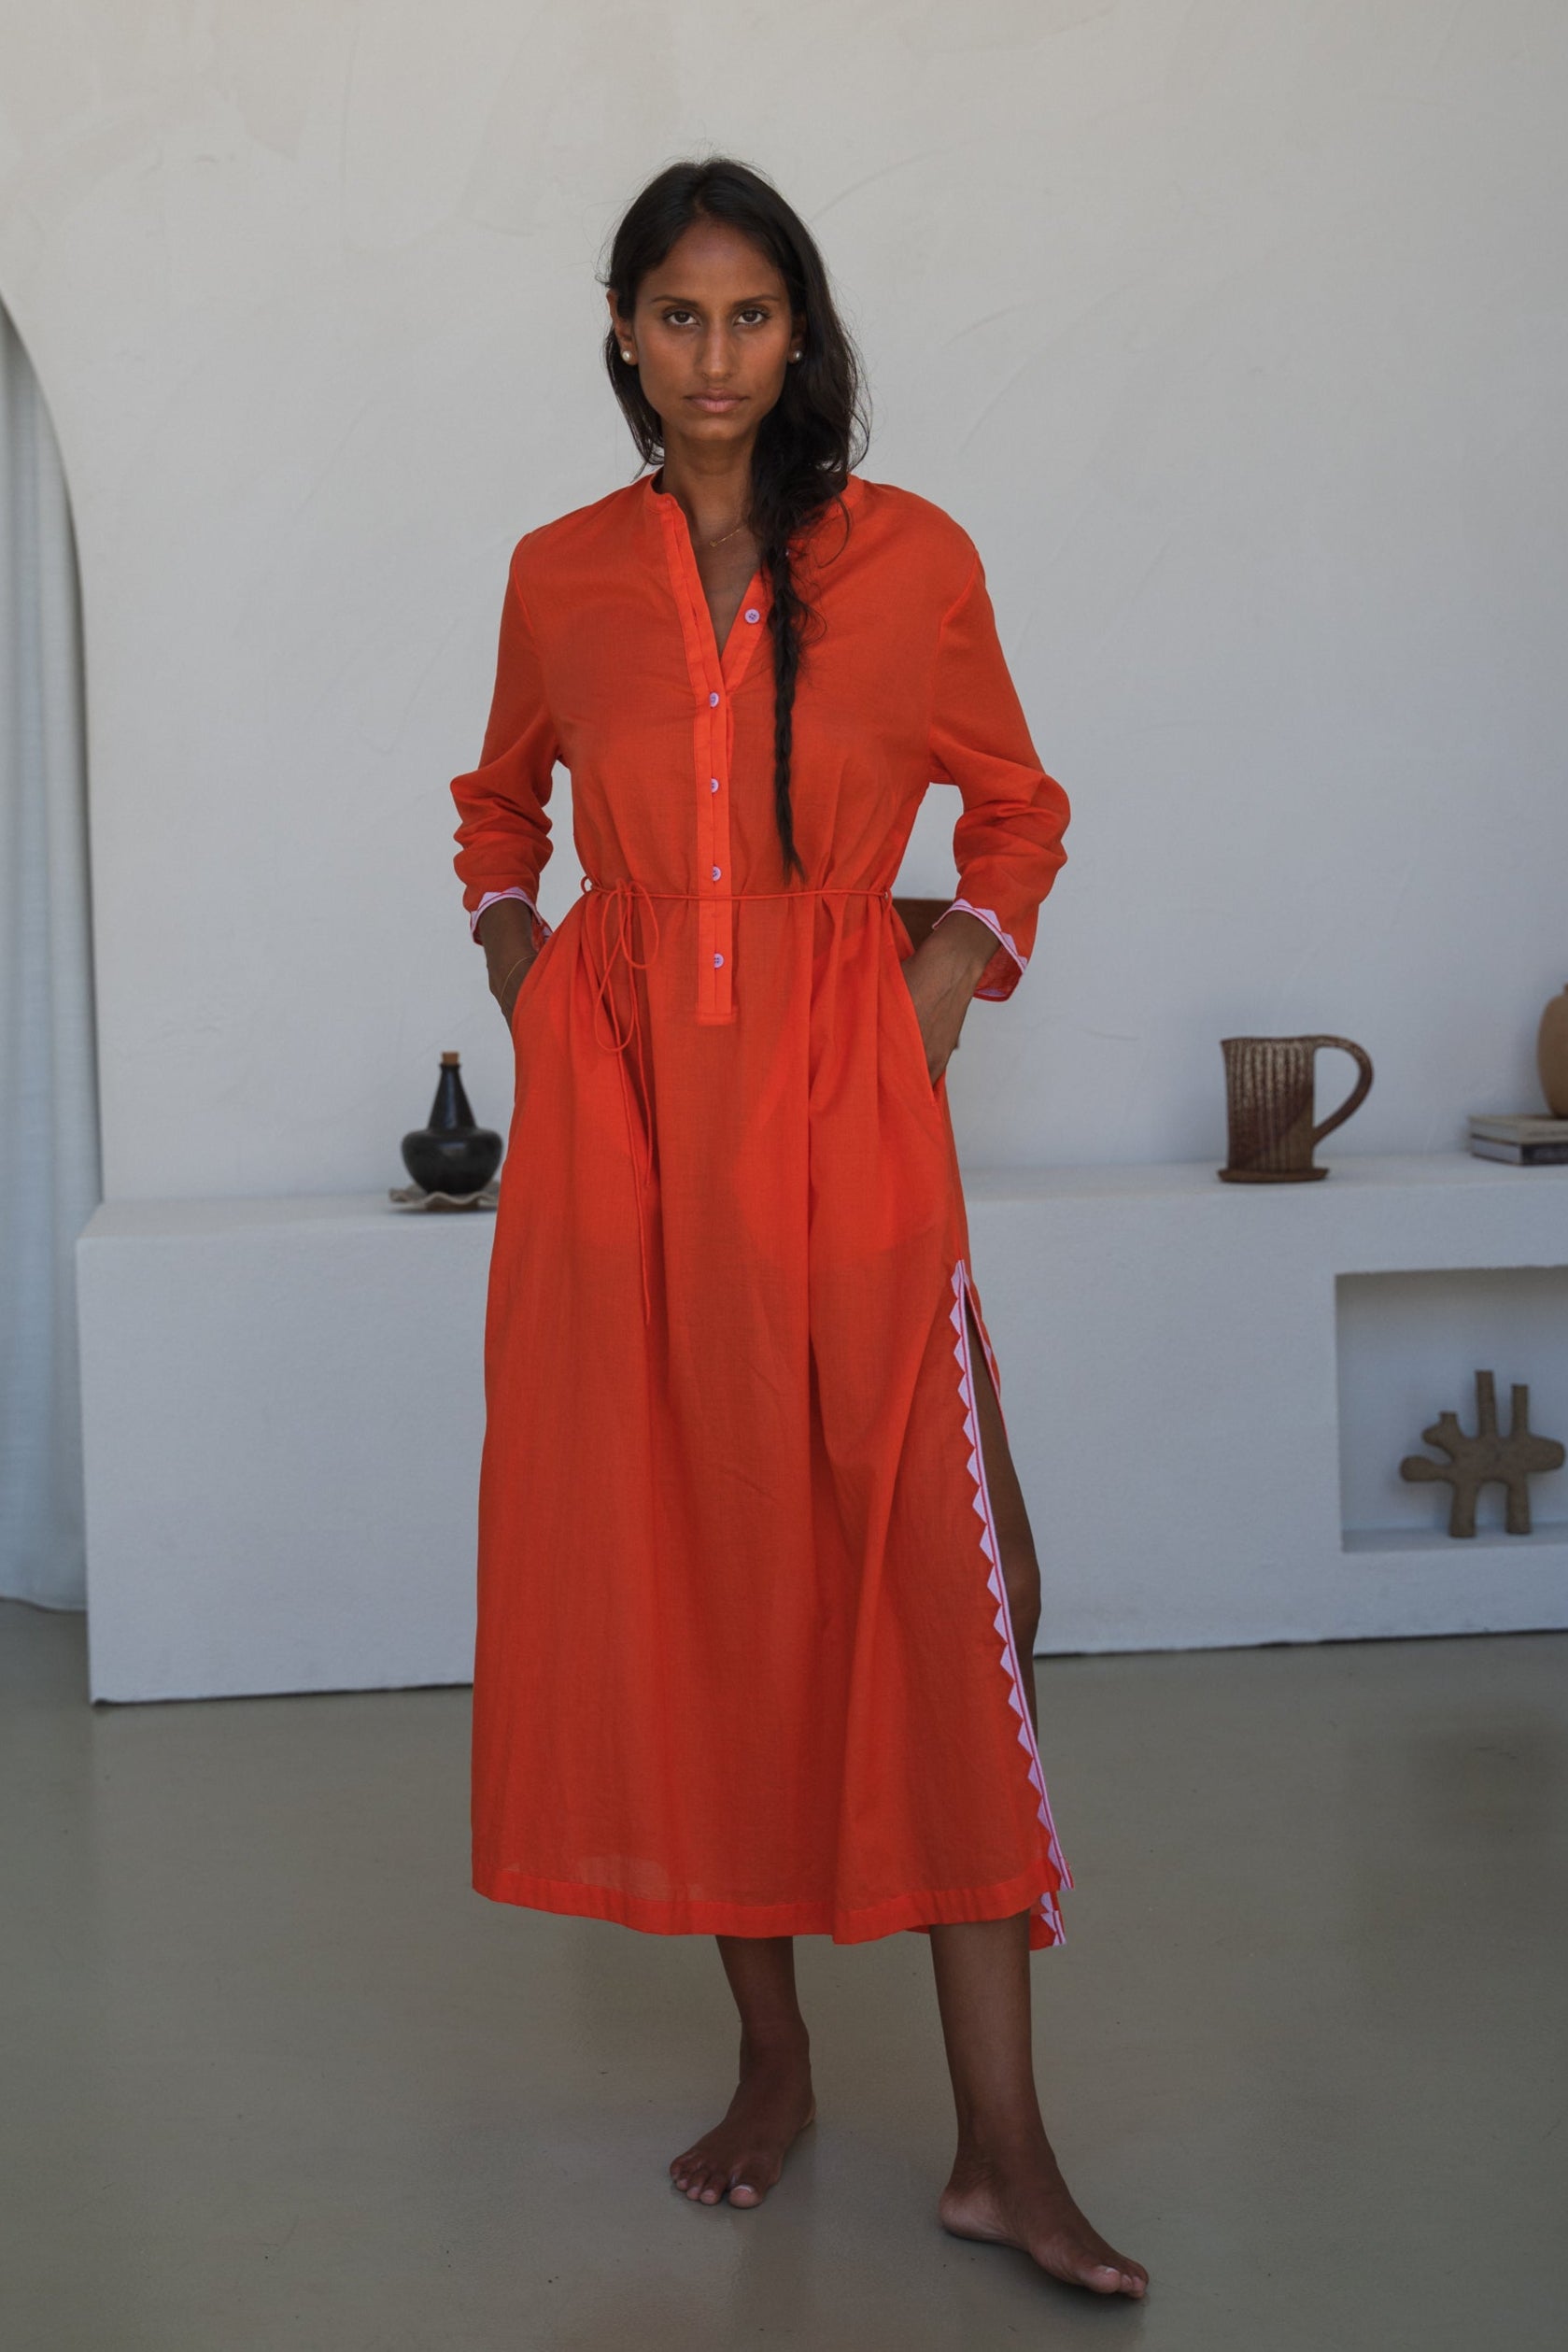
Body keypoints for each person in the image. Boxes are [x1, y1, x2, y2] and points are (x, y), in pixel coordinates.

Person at [449, 156, 1147, 2301]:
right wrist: (526, 965)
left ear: (803, 333)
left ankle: (1003, 2145)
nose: (717, 357)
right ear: (625, 333)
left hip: (848, 1138)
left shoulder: (906, 558)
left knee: (948, 1584)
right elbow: (499, 800)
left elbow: (1017, 804)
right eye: (679, 315)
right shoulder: (562, 573)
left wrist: (944, 977)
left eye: (754, 317)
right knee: (709, 1588)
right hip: (636, 1152)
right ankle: (774, 2060)